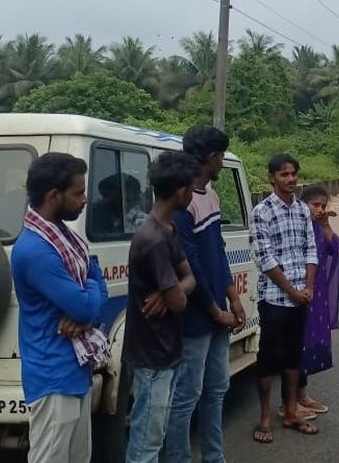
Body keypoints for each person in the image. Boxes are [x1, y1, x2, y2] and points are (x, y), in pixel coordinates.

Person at [11, 153, 108, 463]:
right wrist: (89, 302)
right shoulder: (36, 249)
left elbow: (96, 284)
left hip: (73, 369)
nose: (85, 200)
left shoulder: (65, 238)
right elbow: (84, 305)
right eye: (78, 192)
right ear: (54, 196)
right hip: (53, 373)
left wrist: (90, 299)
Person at [166, 126, 247, 463]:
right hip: (197, 317)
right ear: (213, 158)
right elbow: (193, 268)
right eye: (221, 156)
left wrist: (234, 297)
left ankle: (214, 457)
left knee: (217, 390)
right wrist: (216, 311)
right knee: (186, 396)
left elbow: (217, 251)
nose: (221, 162)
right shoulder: (182, 207)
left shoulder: (210, 197)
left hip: (217, 313)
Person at [123, 151, 200, 463]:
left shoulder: (167, 229)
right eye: (191, 190)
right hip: (151, 355)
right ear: (181, 192)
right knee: (146, 443)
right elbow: (181, 301)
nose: (192, 195)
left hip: (165, 350)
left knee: (153, 436)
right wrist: (174, 293)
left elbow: (189, 278)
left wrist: (171, 291)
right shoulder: (153, 239)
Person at [250, 154, 320, 443]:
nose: (290, 179)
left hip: (300, 297)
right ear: (271, 178)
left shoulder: (303, 210)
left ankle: (291, 411)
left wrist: (309, 287)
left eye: (293, 174)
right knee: (268, 358)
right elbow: (264, 257)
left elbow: (310, 249)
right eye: (284, 174)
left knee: (294, 355)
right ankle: (265, 418)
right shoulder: (261, 212)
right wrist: (291, 291)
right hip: (274, 298)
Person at [289, 185, 339, 420]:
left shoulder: (320, 228)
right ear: (303, 205)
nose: (320, 210)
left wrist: (325, 224)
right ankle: (289, 401)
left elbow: (336, 248)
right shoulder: (298, 227)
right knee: (296, 345)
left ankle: (301, 395)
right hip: (298, 291)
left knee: (310, 344)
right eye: (315, 205)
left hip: (317, 293)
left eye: (323, 206)